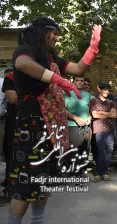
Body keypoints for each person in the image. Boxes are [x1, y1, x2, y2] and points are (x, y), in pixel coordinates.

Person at [7, 17, 101, 223]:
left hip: (52, 127)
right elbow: (22, 63)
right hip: (32, 125)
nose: (57, 37)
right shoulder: (27, 49)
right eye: (54, 33)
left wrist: (92, 49)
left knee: (43, 180)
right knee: (26, 182)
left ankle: (37, 221)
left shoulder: (52, 57)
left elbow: (77, 68)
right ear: (41, 32)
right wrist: (57, 79)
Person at [64, 76, 91, 177]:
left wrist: (90, 118)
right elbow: (63, 110)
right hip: (73, 126)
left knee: (85, 149)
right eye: (77, 80)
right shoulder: (67, 94)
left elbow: (89, 110)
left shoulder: (87, 95)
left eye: (82, 81)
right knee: (75, 150)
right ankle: (75, 173)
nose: (80, 82)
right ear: (73, 82)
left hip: (86, 127)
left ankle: (82, 170)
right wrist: (75, 118)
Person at [89, 81, 116, 182]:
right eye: (104, 89)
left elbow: (113, 115)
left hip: (110, 130)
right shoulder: (94, 101)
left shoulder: (111, 102)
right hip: (99, 130)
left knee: (109, 152)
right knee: (101, 153)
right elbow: (95, 115)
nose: (107, 91)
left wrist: (101, 112)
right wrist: (107, 113)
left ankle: (105, 172)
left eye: (108, 90)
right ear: (99, 89)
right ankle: (98, 173)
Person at [1, 68, 15, 207]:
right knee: (10, 158)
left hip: (32, 124)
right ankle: (8, 191)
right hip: (13, 124)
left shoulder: (37, 78)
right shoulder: (10, 78)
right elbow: (12, 99)